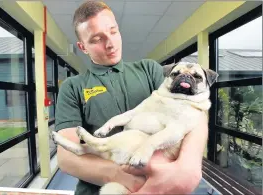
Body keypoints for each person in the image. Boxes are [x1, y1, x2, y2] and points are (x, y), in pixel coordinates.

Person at [54, 1, 208, 195]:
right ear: (82, 47)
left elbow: (194, 112)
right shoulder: (73, 87)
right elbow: (67, 157)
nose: (110, 43)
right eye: (96, 39)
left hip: (163, 184)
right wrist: (126, 178)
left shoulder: (149, 69)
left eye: (113, 31)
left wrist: (189, 167)